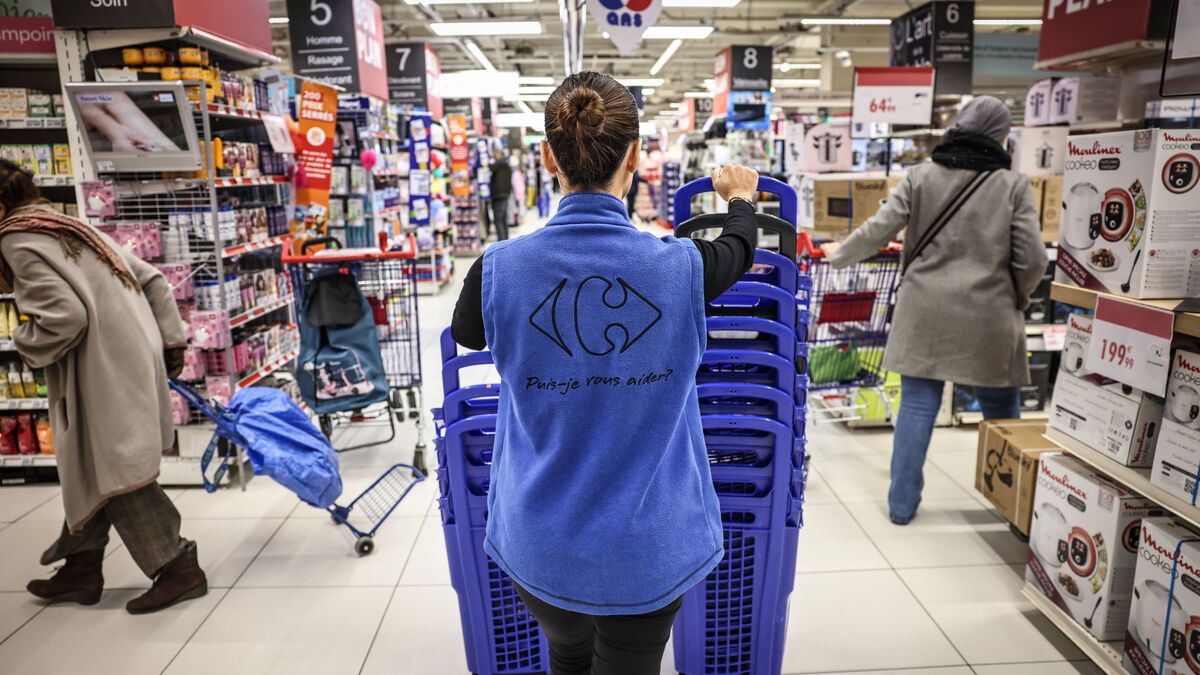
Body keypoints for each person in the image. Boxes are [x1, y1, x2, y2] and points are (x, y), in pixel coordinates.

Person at [451, 71, 760, 674]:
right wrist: (740, 197)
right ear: (636, 156)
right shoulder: (682, 268)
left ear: (547, 158)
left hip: (539, 542)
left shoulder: (497, 270)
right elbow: (741, 247)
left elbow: (467, 332)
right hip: (648, 547)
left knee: (567, 654)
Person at [821, 96, 1048, 525]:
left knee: (918, 406)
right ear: (1001, 137)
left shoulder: (921, 176)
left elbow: (878, 229)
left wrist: (838, 254)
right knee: (1002, 411)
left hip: (925, 309)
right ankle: (1014, 506)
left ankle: (902, 506)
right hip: (990, 314)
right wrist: (1015, 294)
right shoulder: (1013, 185)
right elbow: (1033, 258)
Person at [0, 159, 207, 614]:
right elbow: (153, 280)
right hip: (132, 356)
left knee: (119, 471)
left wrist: (24, 340)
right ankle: (81, 566)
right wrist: (170, 344)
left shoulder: (16, 238)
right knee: (95, 464)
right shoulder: (67, 222)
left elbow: (65, 318)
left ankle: (177, 567)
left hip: (102, 368)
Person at [490, 148, 513, 242]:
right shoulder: (507, 165)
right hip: (505, 194)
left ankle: (501, 242)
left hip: (498, 195)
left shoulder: (497, 165)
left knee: (498, 219)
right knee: (503, 218)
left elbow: (490, 169)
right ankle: (505, 240)